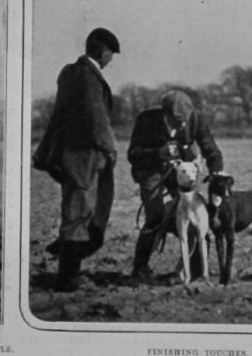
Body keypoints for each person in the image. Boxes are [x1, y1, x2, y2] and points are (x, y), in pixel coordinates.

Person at [32, 27, 120, 293]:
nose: (111, 60)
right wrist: (110, 148)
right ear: (102, 51)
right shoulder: (88, 75)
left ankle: (69, 266)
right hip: (83, 156)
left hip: (72, 155)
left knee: (80, 212)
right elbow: (97, 118)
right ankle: (68, 277)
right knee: (78, 214)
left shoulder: (70, 72)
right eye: (111, 54)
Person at [127, 89, 223, 284]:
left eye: (184, 121)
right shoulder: (146, 119)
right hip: (151, 171)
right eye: (176, 121)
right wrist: (156, 153)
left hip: (180, 172)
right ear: (165, 113)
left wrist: (216, 173)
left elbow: (211, 150)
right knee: (156, 215)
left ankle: (194, 269)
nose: (181, 125)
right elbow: (133, 154)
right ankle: (140, 268)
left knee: (195, 215)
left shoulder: (196, 119)